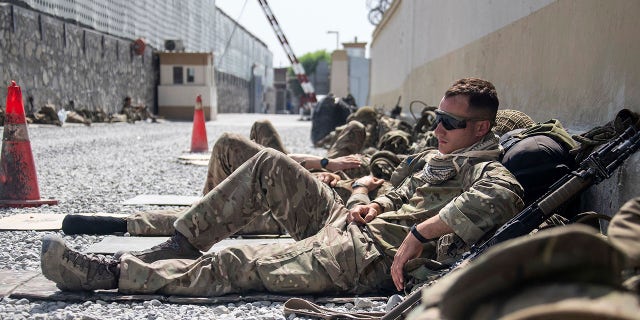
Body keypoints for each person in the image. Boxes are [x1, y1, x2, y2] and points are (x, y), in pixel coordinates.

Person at [40, 77, 524, 297]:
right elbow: (392, 190)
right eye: (436, 118)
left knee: (235, 264)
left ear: (480, 130)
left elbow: (504, 197)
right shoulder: (434, 157)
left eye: (450, 123)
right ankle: (180, 243)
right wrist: (369, 202)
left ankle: (109, 275)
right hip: (351, 224)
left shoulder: (483, 167)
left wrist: (420, 234)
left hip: (365, 259)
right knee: (267, 163)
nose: (438, 128)